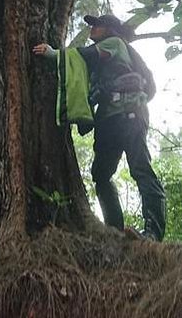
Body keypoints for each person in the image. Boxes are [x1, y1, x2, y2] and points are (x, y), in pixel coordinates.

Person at [33, 14, 166, 241]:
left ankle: (153, 233)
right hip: (108, 121)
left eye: (98, 25)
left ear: (110, 29)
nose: (92, 28)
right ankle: (114, 231)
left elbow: (85, 56)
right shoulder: (103, 61)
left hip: (129, 115)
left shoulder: (114, 44)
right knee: (101, 174)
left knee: (141, 169)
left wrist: (53, 53)